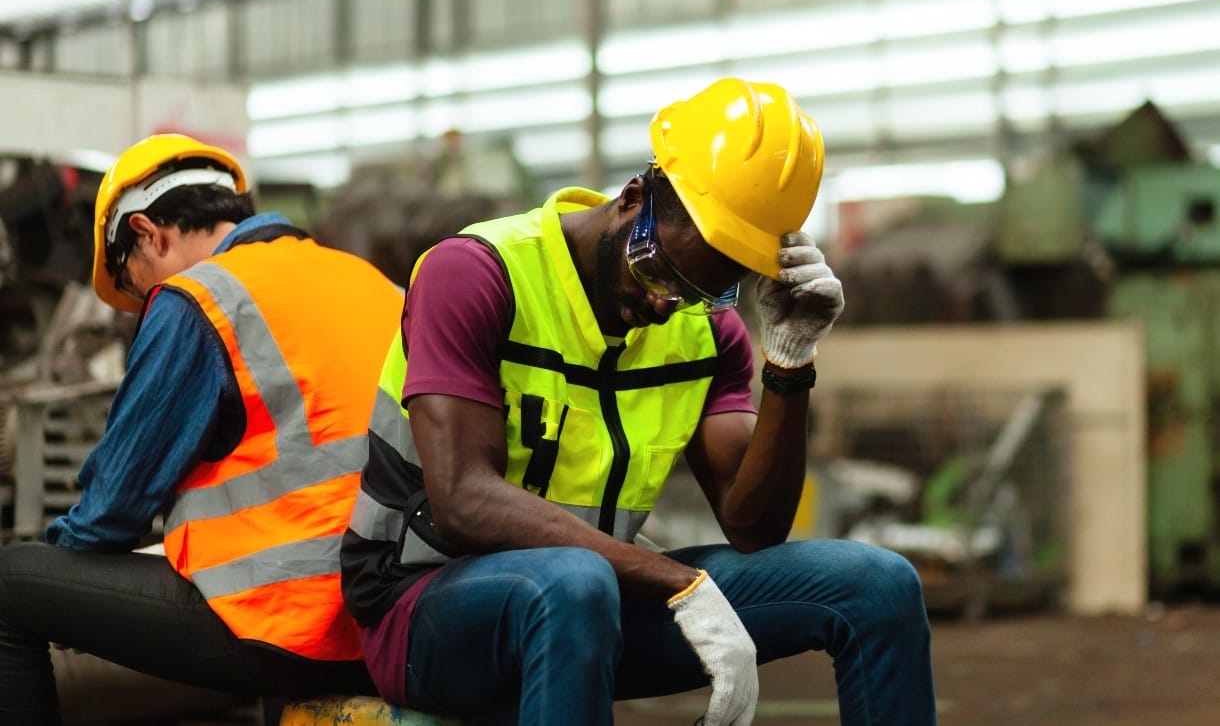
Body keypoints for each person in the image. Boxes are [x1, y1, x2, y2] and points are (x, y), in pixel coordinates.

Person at [341, 78, 938, 725]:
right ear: (632, 200)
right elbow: (462, 500)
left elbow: (754, 525)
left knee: (878, 586)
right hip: (426, 608)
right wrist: (671, 579)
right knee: (574, 583)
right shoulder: (478, 275)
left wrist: (790, 364)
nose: (664, 304)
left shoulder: (707, 335)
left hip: (597, 599)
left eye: (694, 292)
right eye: (659, 270)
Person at [0, 134, 404, 724]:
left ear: (147, 233)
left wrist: (69, 576)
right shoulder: (373, 283)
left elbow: (112, 511)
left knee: (11, 586)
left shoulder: (200, 298)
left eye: (136, 286)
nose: (147, 303)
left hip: (294, 621)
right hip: (399, 619)